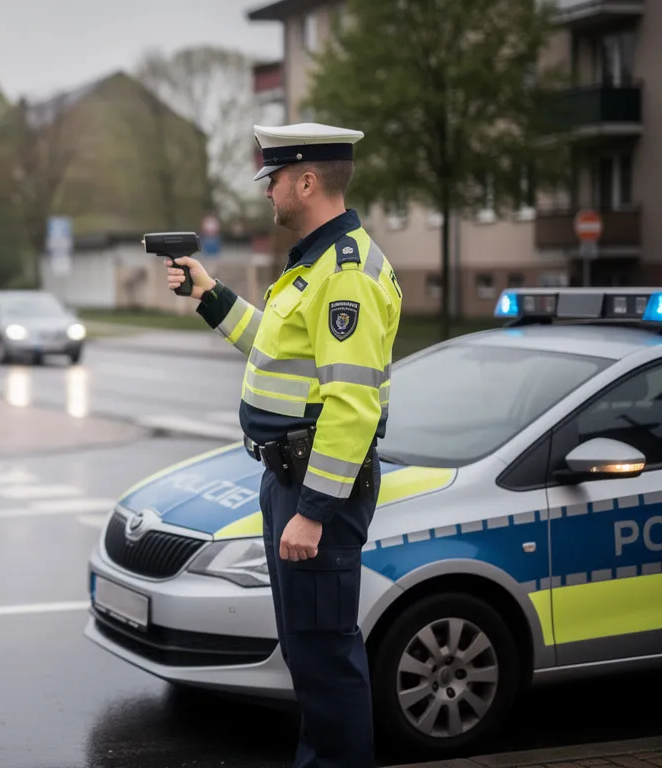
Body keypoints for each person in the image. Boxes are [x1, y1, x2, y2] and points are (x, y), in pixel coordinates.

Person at [167, 123, 402, 768]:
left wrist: (315, 511)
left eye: (272, 178)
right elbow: (275, 350)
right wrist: (211, 297)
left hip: (315, 487)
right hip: (288, 479)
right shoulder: (313, 263)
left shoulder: (345, 273)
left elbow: (352, 404)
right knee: (305, 648)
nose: (267, 191)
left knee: (324, 654)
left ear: (306, 180)